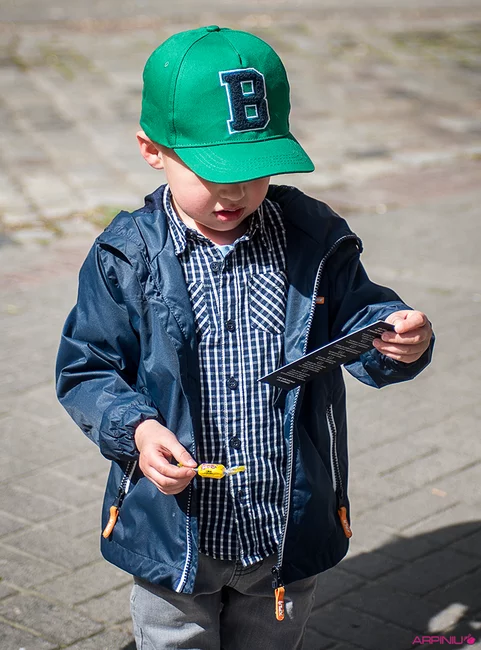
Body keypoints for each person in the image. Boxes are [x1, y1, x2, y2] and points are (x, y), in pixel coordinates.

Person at [56, 25, 434, 650]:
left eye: (255, 170)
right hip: (177, 528)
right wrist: (138, 431)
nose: (234, 191)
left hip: (282, 522)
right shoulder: (125, 255)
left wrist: (398, 338)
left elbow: (362, 318)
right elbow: (87, 368)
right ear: (153, 150)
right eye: (213, 170)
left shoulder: (313, 237)